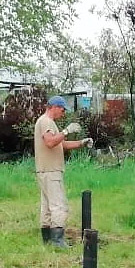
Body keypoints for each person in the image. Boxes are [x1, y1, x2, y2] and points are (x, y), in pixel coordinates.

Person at [34, 95, 93, 248]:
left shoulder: (46, 122)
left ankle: (47, 240)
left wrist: (81, 143)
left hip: (45, 170)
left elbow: (61, 144)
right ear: (54, 107)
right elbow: (50, 142)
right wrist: (66, 130)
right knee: (59, 206)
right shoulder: (46, 122)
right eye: (62, 109)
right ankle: (57, 241)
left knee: (47, 207)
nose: (63, 113)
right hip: (51, 171)